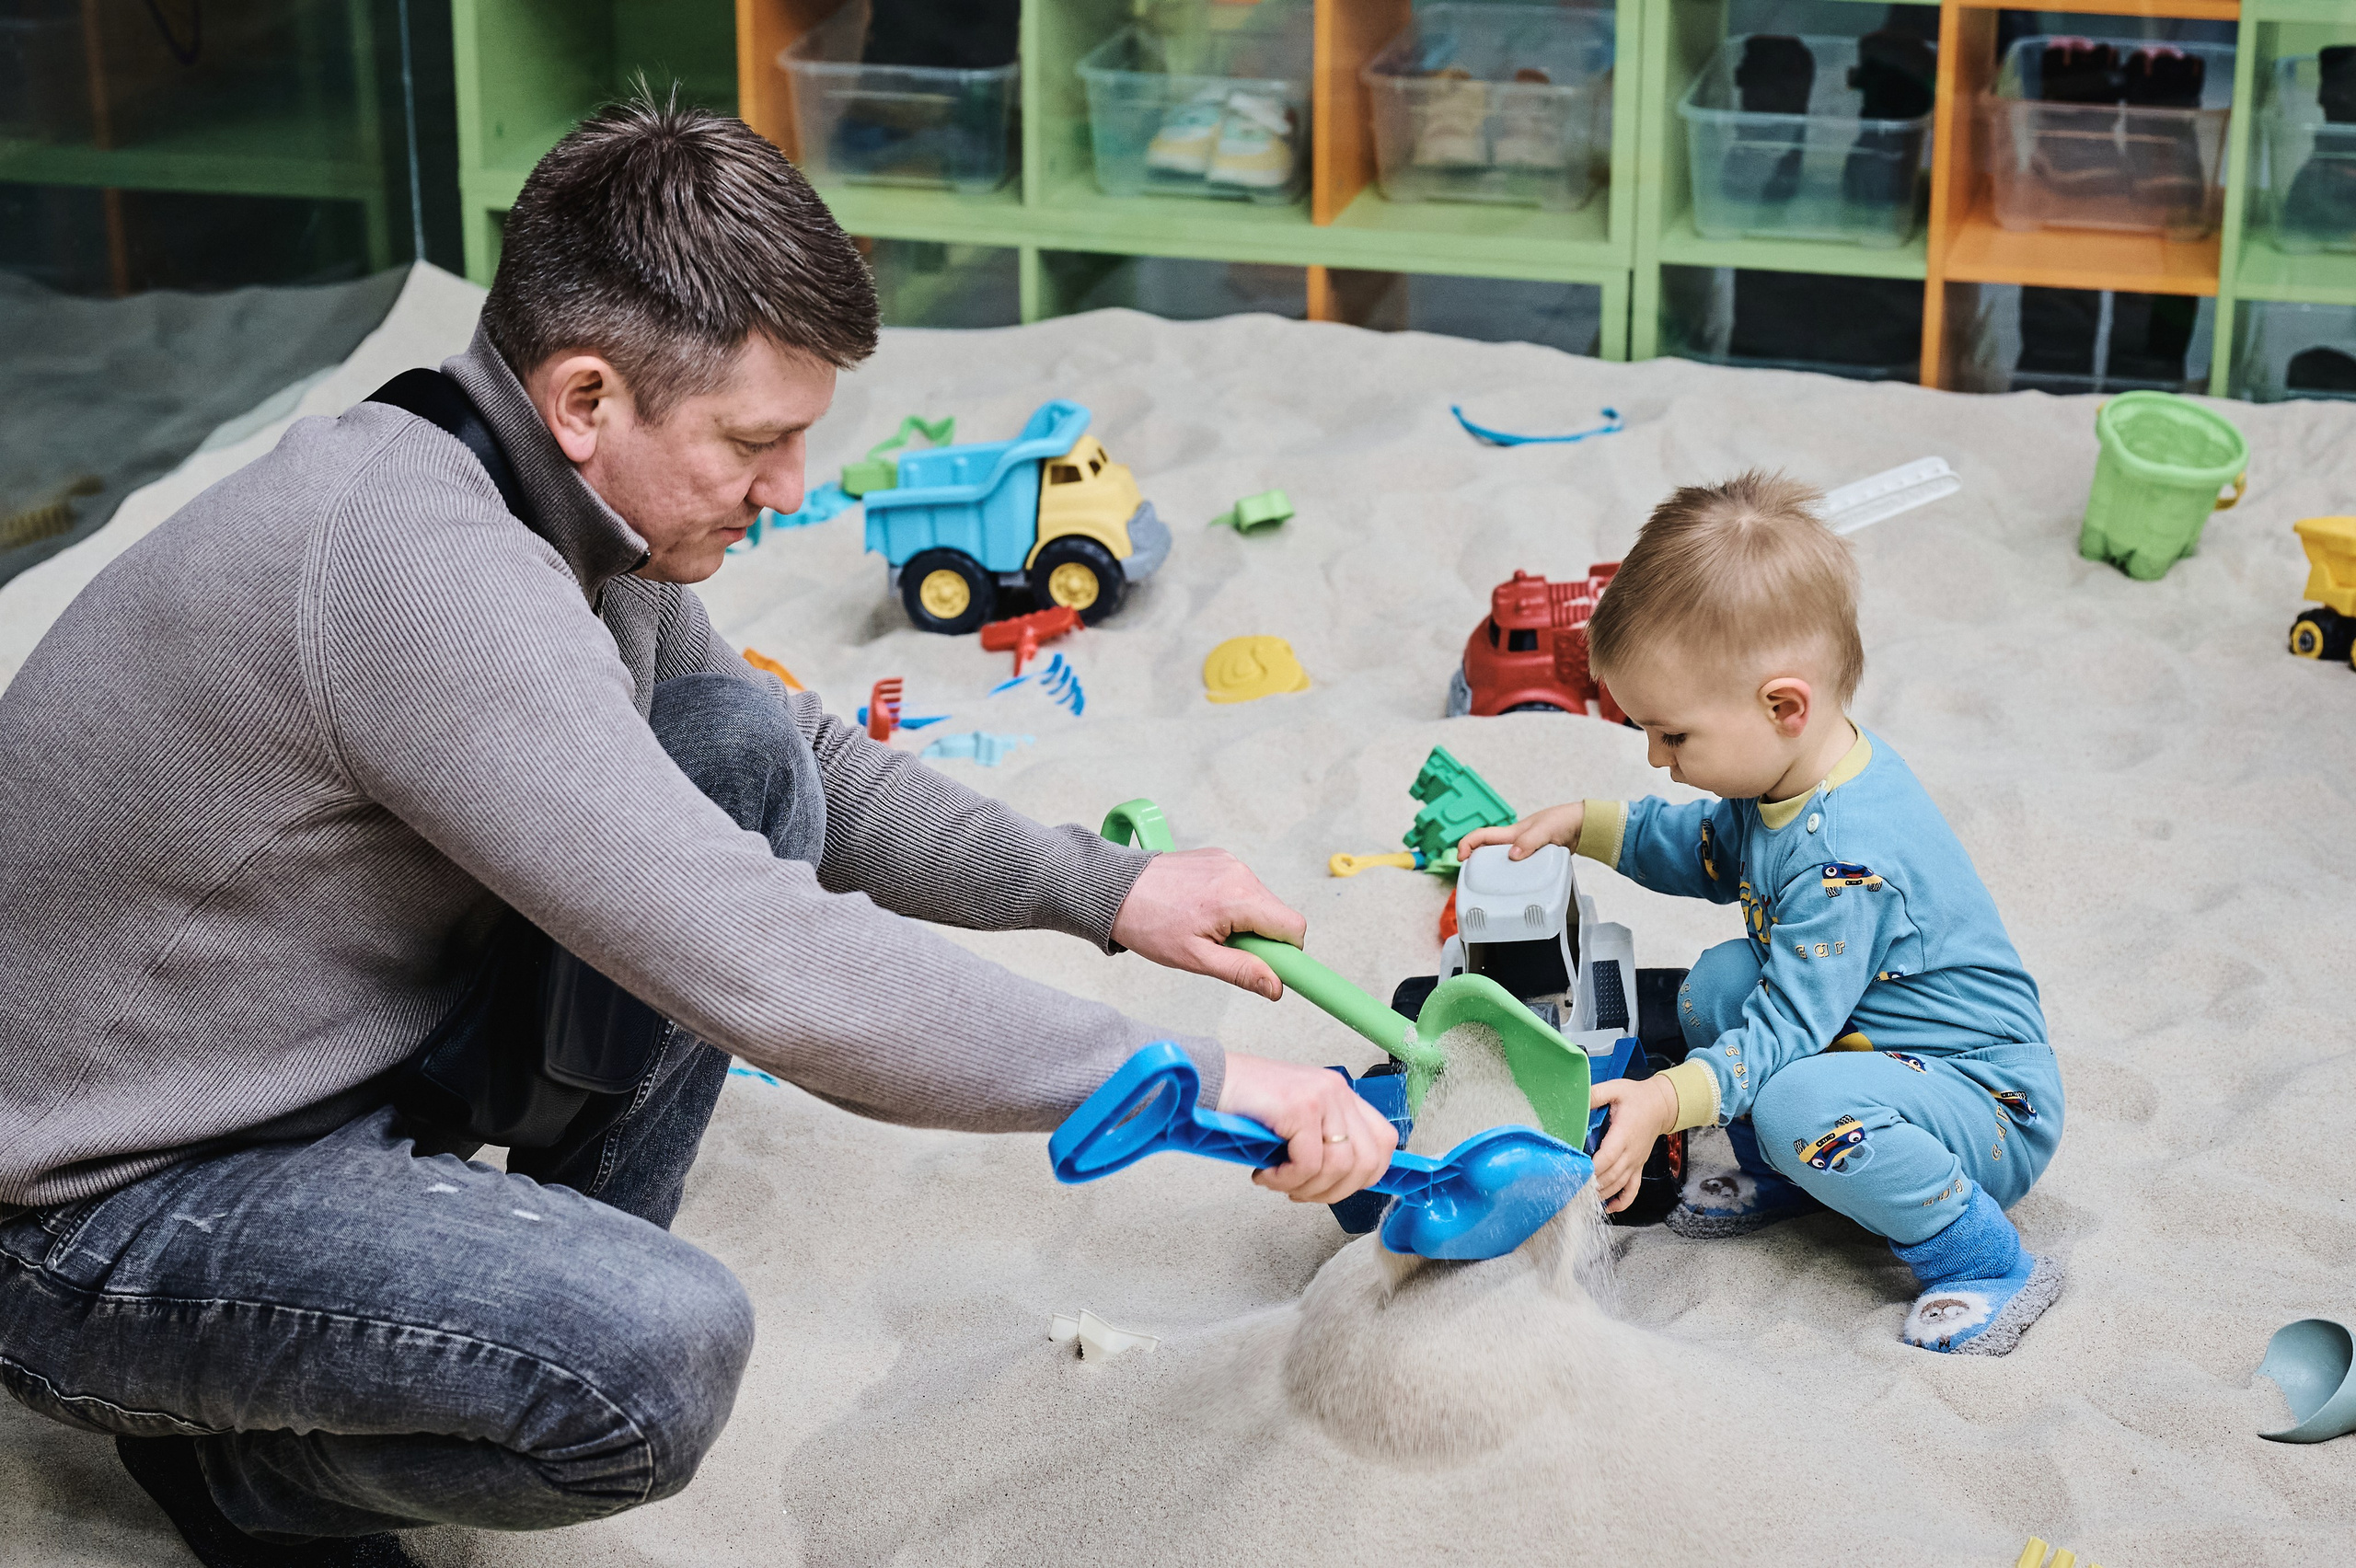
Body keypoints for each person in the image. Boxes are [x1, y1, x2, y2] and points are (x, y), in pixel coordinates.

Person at [0, 98, 1395, 1568]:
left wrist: (1113, 890)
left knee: (736, 751)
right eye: (757, 442)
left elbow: (791, 764)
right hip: (97, 1210)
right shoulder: (419, 574)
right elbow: (762, 959)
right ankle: (247, 1482)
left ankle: (477, 1300)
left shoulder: (550, 494)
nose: (792, 492)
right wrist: (1188, 1076)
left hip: (305, 1052)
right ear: (588, 399)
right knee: (651, 1360)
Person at [1461, 472, 2064, 1357]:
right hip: (1877, 1044)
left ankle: (1985, 1262)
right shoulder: (1787, 772)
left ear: (1784, 706)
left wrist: (1668, 1100)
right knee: (1715, 987)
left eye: (1673, 735)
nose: (1660, 760)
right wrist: (1585, 827)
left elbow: (1786, 1028)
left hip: (1985, 1102)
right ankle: (1801, 1170)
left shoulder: (1845, 862)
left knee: (1788, 1093)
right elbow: (1708, 848)